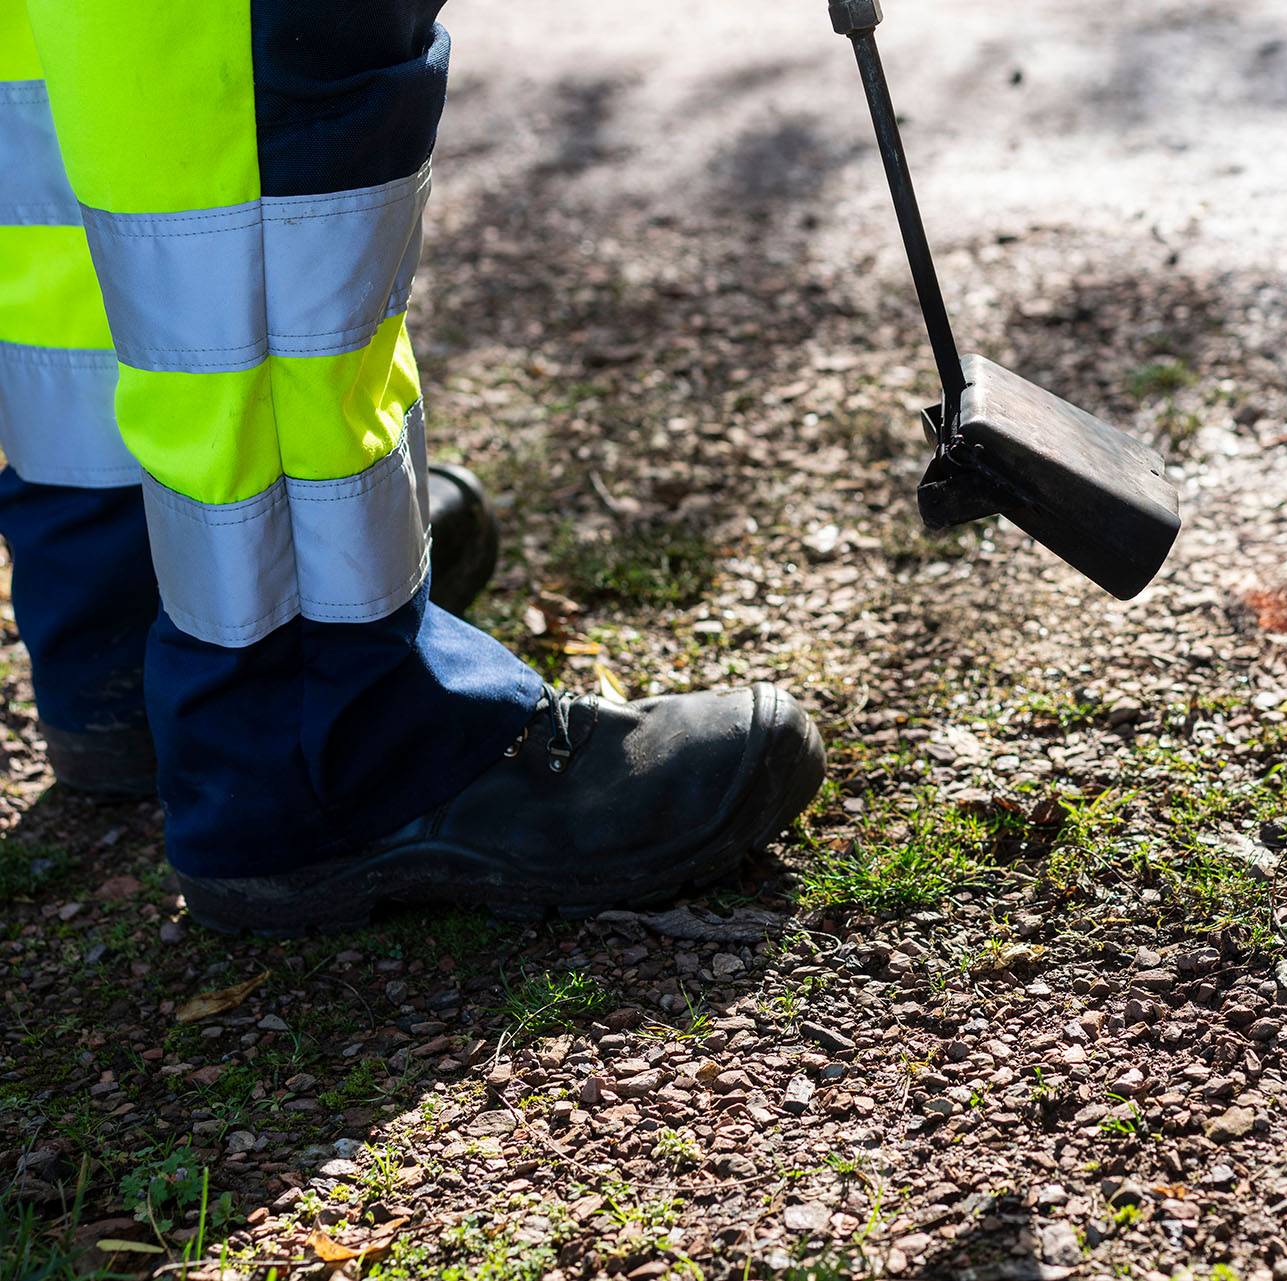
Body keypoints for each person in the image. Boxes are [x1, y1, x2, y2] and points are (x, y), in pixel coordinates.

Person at [0, 1, 825, 934]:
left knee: (77, 80)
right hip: (297, 714)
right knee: (241, 71)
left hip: (96, 577)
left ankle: (124, 617)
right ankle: (319, 726)